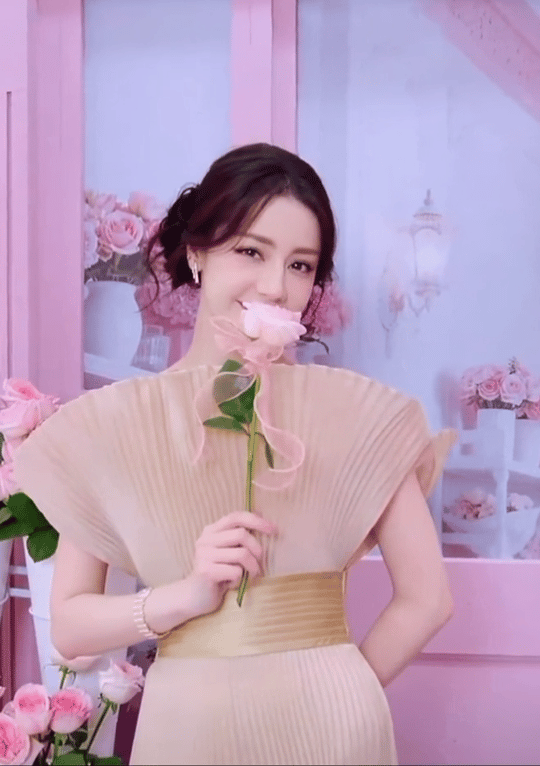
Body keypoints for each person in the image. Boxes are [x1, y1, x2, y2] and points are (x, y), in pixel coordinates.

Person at [14, 143, 457, 765]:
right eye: (251, 251)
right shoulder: (114, 424)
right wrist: (185, 597)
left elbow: (430, 599)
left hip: (329, 729)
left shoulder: (360, 415)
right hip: (188, 731)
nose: (276, 286)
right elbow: (71, 628)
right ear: (197, 254)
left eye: (301, 265)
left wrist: (342, 692)